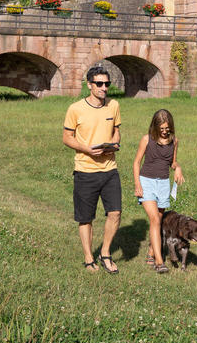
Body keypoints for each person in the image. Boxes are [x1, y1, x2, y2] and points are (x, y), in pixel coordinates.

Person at [63, 66, 122, 273]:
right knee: (85, 218)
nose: (104, 88)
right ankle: (89, 258)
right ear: (89, 85)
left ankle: (105, 253)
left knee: (115, 213)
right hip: (85, 170)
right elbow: (67, 138)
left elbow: (116, 132)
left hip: (110, 169)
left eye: (107, 84)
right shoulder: (75, 109)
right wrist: (86, 149)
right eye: (99, 84)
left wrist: (114, 144)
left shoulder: (114, 105)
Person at [133, 109, 185, 273]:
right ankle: (159, 261)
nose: (164, 132)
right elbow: (136, 163)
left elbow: (173, 162)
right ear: (155, 127)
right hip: (146, 181)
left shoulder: (174, 141)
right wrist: (137, 185)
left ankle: (150, 252)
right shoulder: (146, 139)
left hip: (163, 184)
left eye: (167, 129)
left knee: (158, 220)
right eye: (161, 129)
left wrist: (178, 168)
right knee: (155, 219)